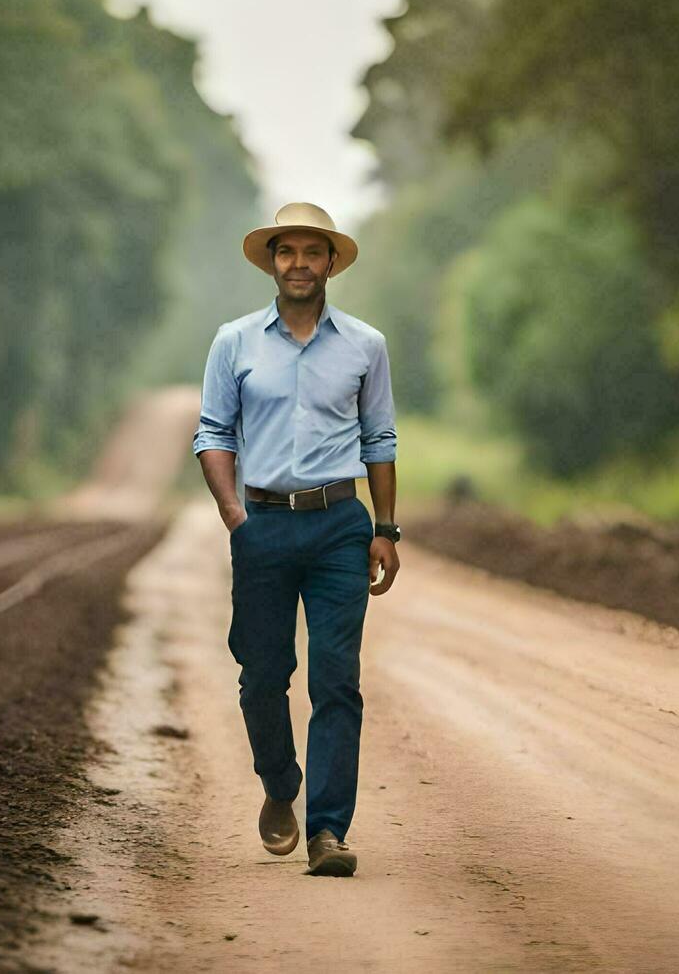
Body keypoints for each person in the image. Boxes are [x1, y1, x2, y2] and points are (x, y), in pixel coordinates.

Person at [192, 201, 401, 878]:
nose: (301, 265)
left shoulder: (366, 345)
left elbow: (380, 439)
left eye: (314, 253)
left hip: (342, 523)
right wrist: (234, 517)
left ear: (331, 263)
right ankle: (282, 784)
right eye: (288, 253)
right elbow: (213, 433)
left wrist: (386, 529)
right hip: (264, 523)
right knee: (261, 677)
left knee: (337, 678)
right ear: (272, 262)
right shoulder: (236, 342)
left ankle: (328, 831)